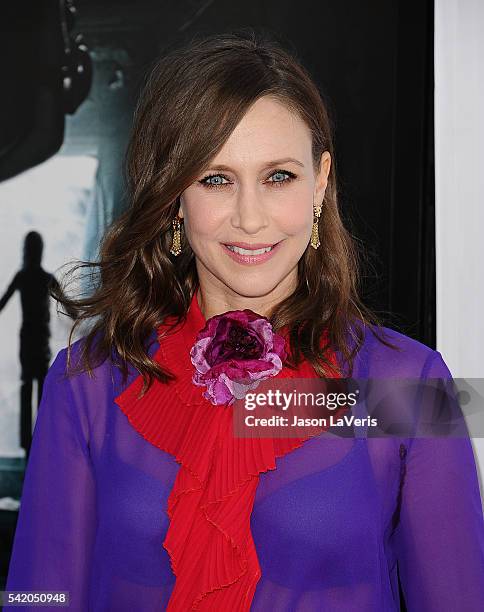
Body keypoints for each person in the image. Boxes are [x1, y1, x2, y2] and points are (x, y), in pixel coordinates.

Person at [5, 30, 484, 611]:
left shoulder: (406, 385)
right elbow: (40, 596)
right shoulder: (88, 383)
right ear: (175, 197)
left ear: (321, 181)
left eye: (278, 176)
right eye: (215, 179)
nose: (250, 218)